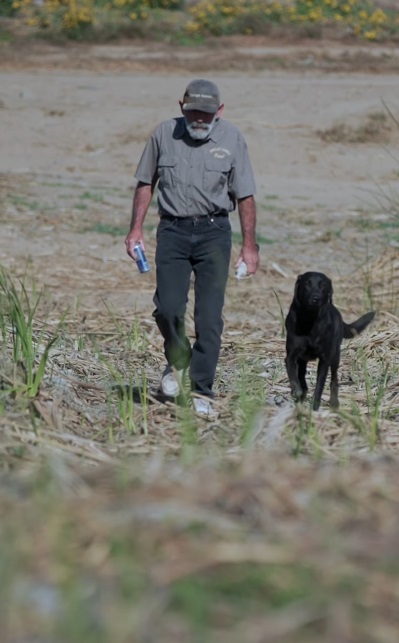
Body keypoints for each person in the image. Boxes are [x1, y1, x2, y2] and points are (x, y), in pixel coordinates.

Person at [124, 79, 260, 416]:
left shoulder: (232, 138)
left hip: (214, 232)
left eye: (207, 113)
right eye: (193, 111)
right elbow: (145, 182)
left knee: (209, 317)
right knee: (168, 308)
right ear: (181, 106)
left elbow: (245, 195)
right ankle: (178, 360)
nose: (199, 119)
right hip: (172, 231)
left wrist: (250, 246)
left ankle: (202, 390)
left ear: (220, 111)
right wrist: (135, 229)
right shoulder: (163, 134)